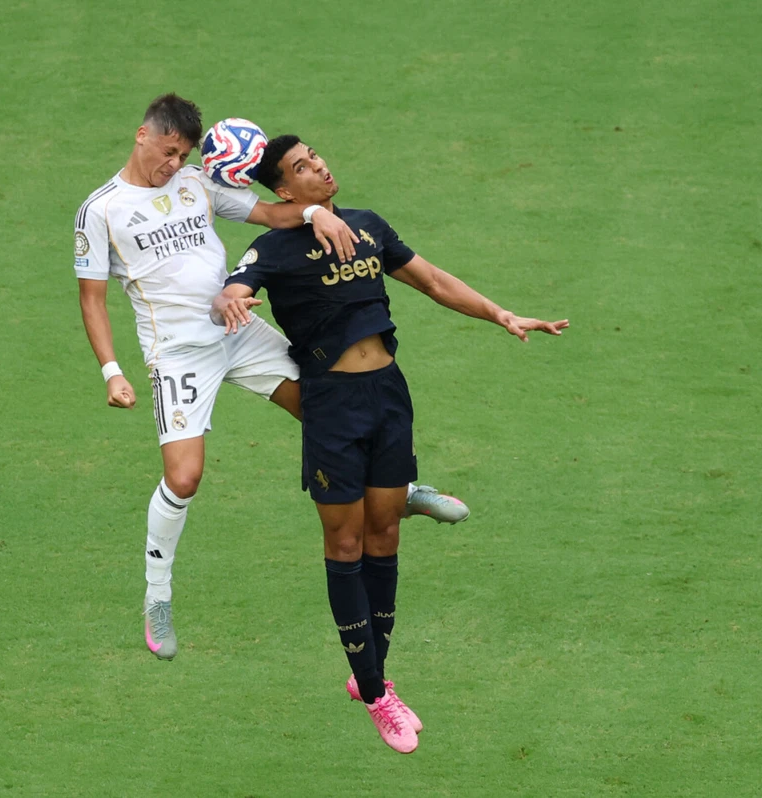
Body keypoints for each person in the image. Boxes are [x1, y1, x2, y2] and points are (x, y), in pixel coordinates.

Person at [73, 95, 471, 663]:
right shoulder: (101, 210)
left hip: (236, 329)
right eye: (167, 152)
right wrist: (112, 372)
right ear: (142, 136)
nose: (173, 164)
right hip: (179, 355)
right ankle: (157, 598)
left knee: (327, 403)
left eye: (183, 153)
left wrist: (315, 213)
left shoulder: (196, 183)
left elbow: (271, 213)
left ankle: (398, 493)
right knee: (183, 479)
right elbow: (92, 299)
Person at [211, 135, 568, 753]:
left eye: (316, 156)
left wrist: (501, 313)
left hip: (389, 396)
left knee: (384, 534)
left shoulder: (368, 226)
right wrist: (231, 299)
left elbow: (432, 281)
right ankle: (378, 694)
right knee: (345, 542)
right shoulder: (272, 247)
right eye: (301, 168)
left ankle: (369, 675)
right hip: (331, 408)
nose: (319, 167)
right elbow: (235, 290)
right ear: (284, 192)